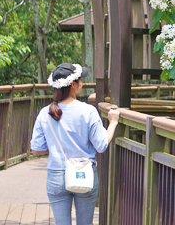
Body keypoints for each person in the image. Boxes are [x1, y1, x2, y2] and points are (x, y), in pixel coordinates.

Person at [30, 63, 120, 225]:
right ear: (73, 85)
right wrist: (113, 123)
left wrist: (57, 146)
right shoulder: (88, 111)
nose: (83, 83)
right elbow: (101, 145)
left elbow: (36, 150)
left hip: (56, 176)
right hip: (84, 174)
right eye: (80, 80)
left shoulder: (45, 113)